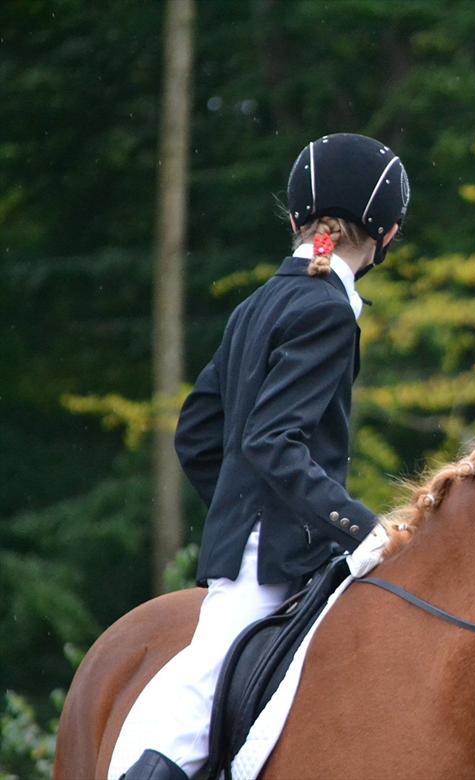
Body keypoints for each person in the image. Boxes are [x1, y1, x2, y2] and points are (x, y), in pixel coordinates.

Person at [109, 133, 410, 780]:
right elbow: (273, 440)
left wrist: (239, 505)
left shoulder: (258, 302)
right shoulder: (326, 307)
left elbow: (197, 433)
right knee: (194, 717)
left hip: (264, 543)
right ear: (386, 234)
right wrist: (360, 526)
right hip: (270, 559)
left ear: (299, 217)